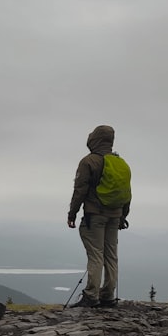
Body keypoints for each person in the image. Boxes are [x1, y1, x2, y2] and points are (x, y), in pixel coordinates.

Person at [68, 125, 131, 308]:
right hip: (115, 215)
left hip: (94, 215)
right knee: (111, 255)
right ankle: (108, 296)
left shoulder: (89, 161)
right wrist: (122, 216)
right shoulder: (122, 164)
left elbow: (80, 190)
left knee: (95, 255)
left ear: (94, 139)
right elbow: (127, 193)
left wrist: (72, 213)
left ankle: (91, 296)